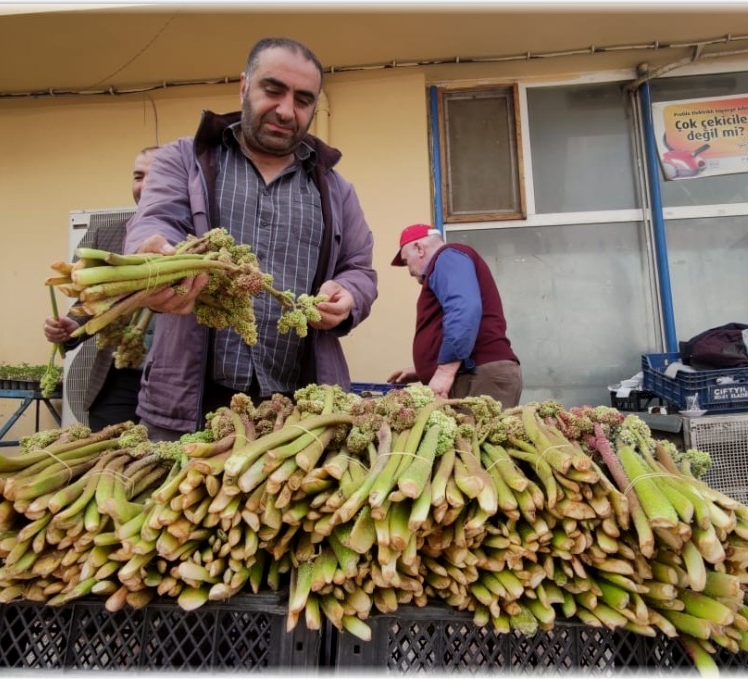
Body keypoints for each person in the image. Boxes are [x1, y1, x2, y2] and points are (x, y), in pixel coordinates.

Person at [124, 37, 378, 441]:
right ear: (244, 86)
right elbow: (155, 221)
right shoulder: (183, 159)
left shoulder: (335, 188)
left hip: (298, 411)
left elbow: (359, 268)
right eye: (273, 90)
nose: (285, 110)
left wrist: (349, 294)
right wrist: (153, 255)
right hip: (189, 404)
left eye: (303, 99)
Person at [42, 146, 158, 431]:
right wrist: (70, 326)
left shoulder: (199, 238)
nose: (143, 185)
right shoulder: (103, 234)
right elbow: (85, 302)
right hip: (118, 375)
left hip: (181, 379)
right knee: (109, 462)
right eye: (138, 176)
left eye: (155, 176)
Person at [386, 223, 523, 407]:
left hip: (477, 376)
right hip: (473, 374)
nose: (408, 270)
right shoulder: (447, 264)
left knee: (475, 435)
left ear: (419, 248)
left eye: (405, 261)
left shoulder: (447, 256)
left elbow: (463, 309)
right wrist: (423, 370)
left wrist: (444, 372)